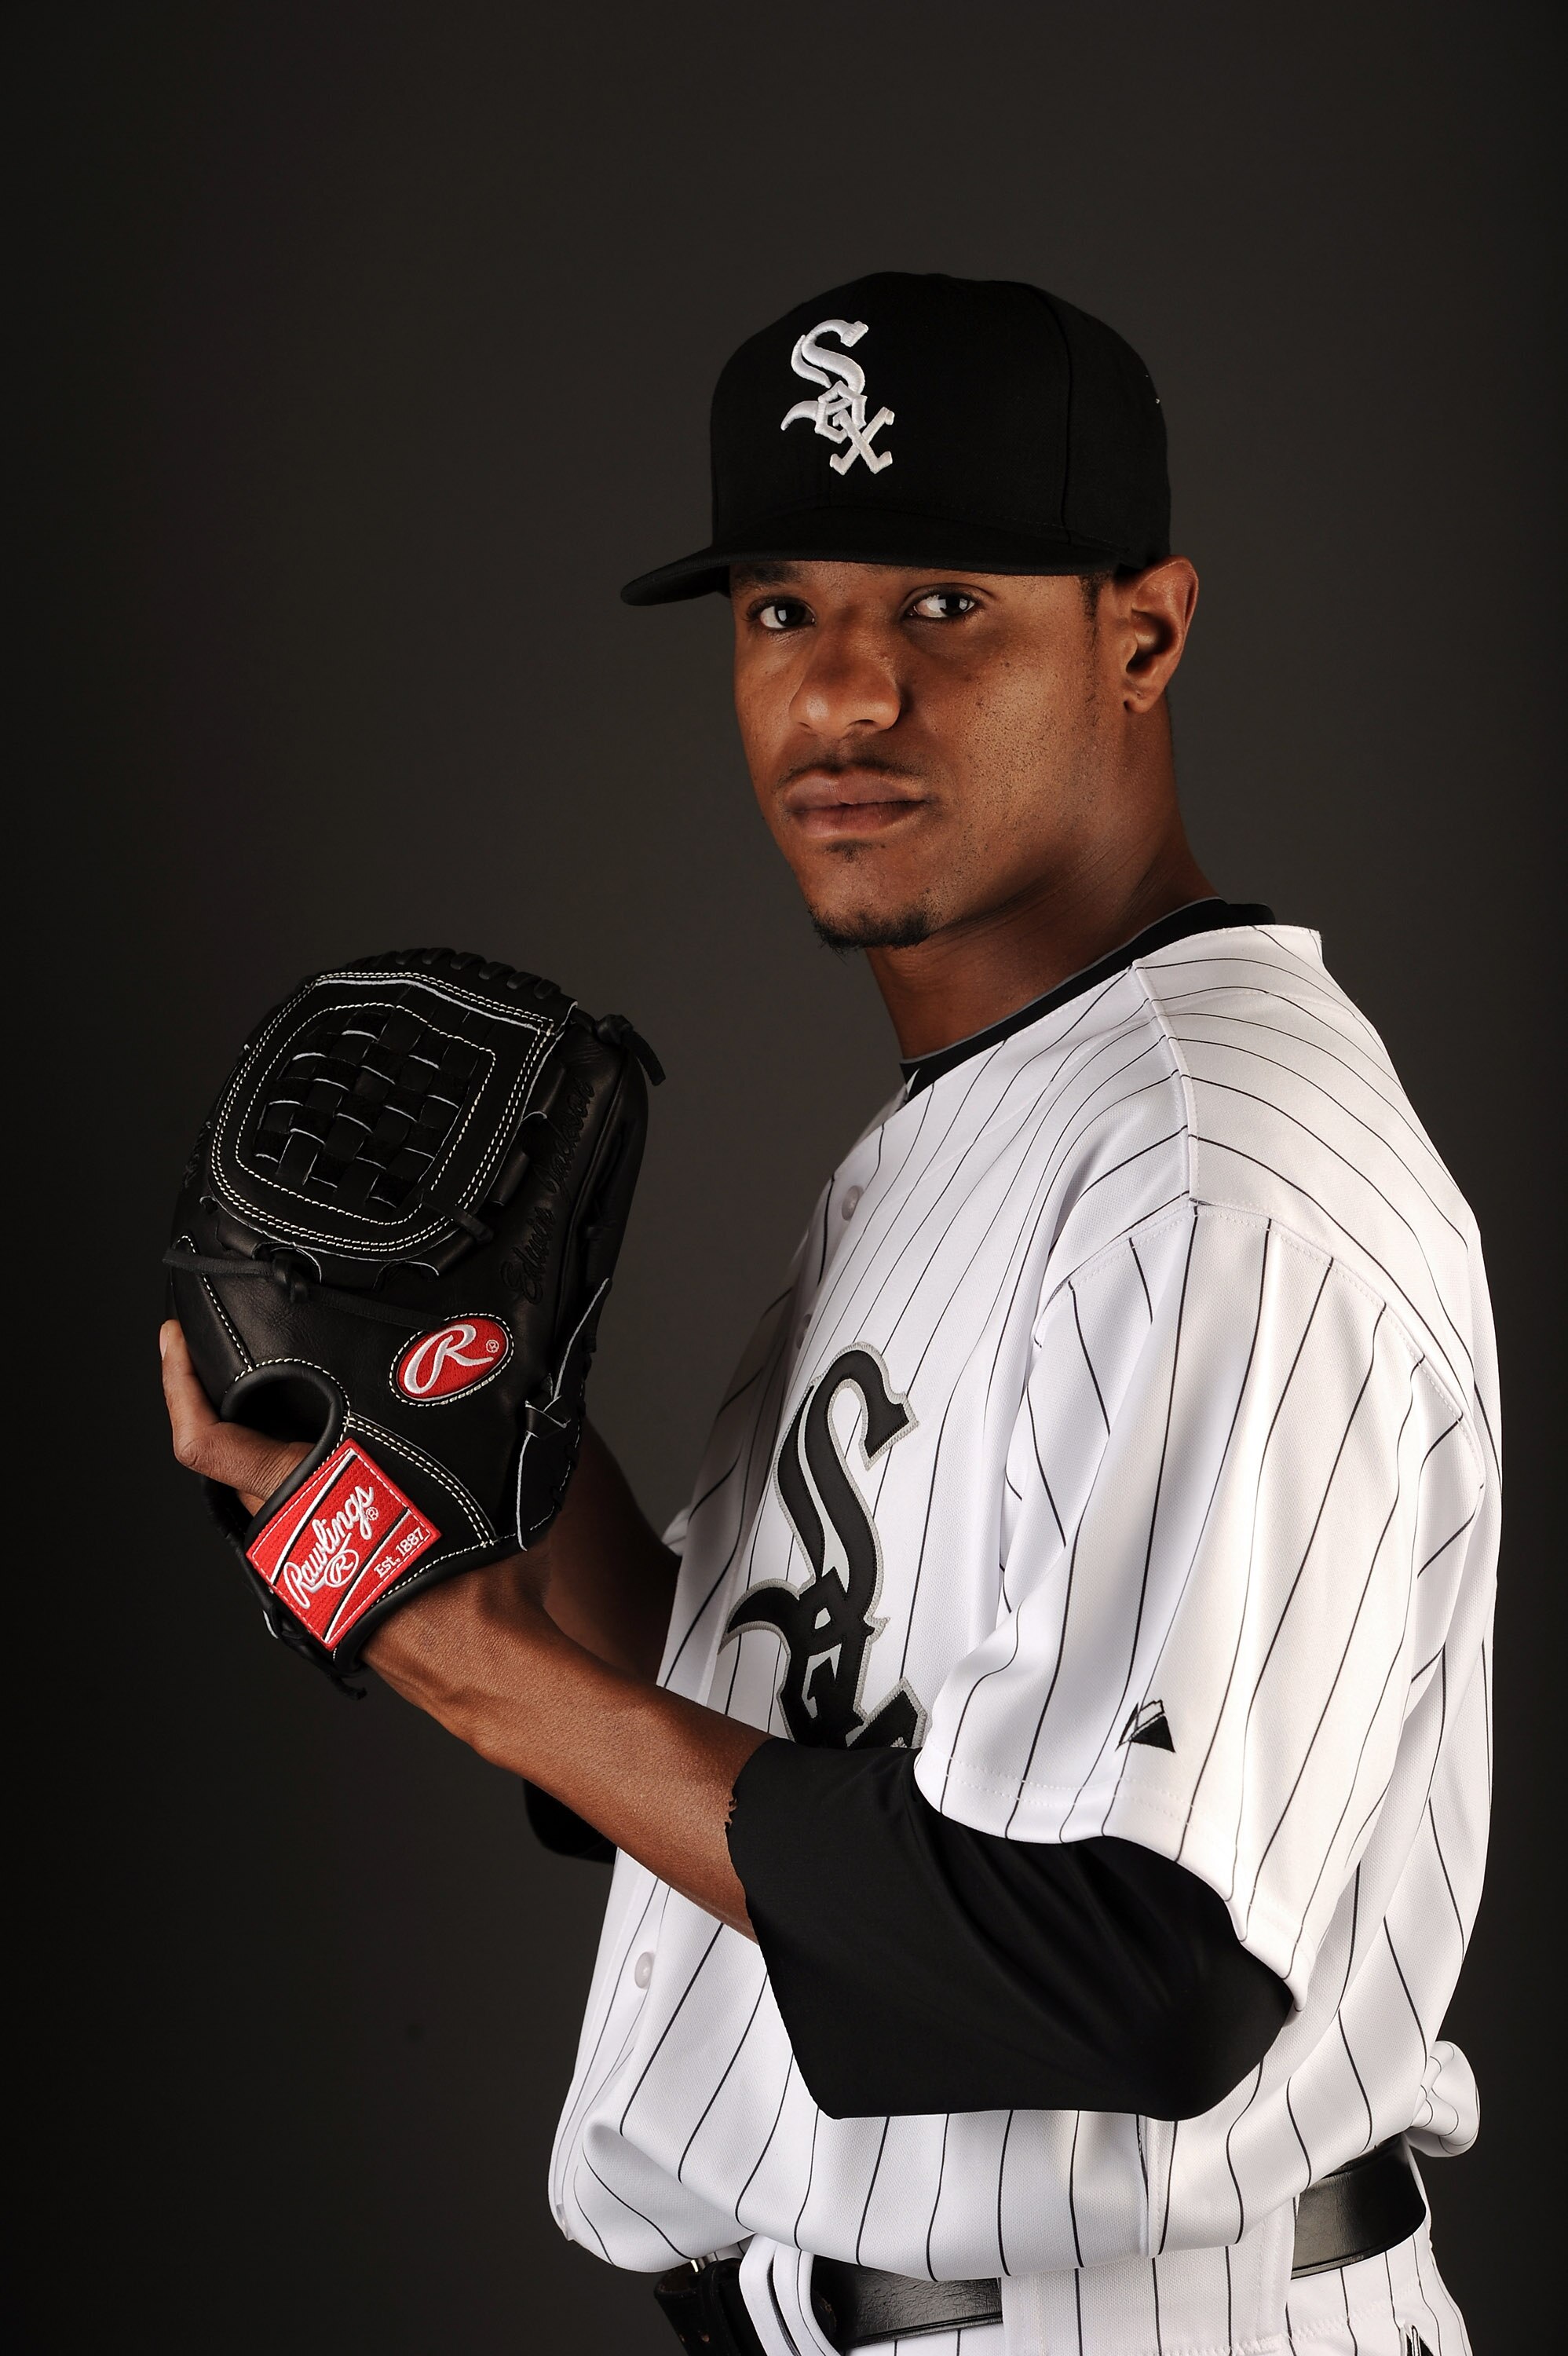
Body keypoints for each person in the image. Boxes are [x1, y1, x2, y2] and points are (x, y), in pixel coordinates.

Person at [161, 273, 1494, 2356]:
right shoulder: (991, 1115)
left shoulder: (1202, 1177)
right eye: (783, 610)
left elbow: (1136, 1965)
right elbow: (811, 1748)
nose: (842, 697)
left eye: (944, 605)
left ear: (1142, 634)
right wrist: (457, 1459)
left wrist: (482, 1667)